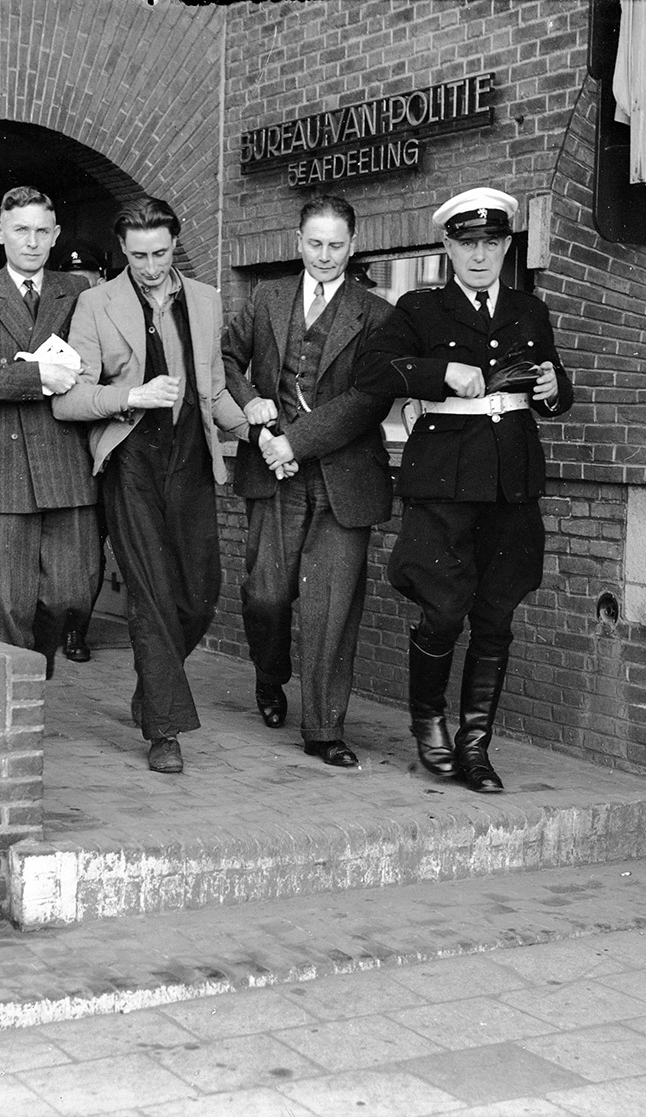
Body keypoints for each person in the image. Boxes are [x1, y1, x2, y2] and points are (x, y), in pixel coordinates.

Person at [354, 186, 573, 793]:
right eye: (466, 243)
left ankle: (476, 747)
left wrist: (556, 387)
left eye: (491, 243)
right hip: (445, 482)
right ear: (447, 246)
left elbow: (553, 396)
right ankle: (430, 727)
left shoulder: (530, 311)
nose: (479, 255)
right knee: (444, 611)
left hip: (511, 483)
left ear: (507, 246)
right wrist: (439, 373)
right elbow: (371, 372)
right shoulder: (421, 310)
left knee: (497, 616)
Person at [54, 196, 248, 774]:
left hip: (190, 455)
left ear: (175, 244)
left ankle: (151, 689)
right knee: (151, 590)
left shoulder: (207, 301)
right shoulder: (95, 303)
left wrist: (255, 429)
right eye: (138, 255)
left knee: (199, 591)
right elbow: (69, 400)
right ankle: (163, 728)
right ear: (122, 251)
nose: (150, 265)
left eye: (160, 253)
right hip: (131, 458)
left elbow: (212, 394)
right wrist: (131, 397)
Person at [222, 195, 394, 768]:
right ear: (297, 242)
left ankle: (323, 728)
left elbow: (367, 400)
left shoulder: (376, 315)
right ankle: (271, 675)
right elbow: (223, 359)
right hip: (271, 477)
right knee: (266, 594)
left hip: (343, 482)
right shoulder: (267, 298)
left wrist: (295, 442)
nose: (325, 255)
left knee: (330, 607)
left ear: (353, 245)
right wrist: (254, 410)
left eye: (336, 245)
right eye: (315, 244)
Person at [0, 186, 100, 678]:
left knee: (73, 590)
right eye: (20, 230)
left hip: (66, 458)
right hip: (1, 462)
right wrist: (36, 377)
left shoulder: (79, 293)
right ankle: (14, 704)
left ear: (54, 236)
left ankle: (36, 660)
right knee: (5, 605)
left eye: (40, 231)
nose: (30, 242)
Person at [51, 243, 109, 664]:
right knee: (71, 550)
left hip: (107, 448)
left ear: (101, 278)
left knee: (93, 550)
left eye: (85, 279)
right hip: (69, 450)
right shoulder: (55, 320)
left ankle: (77, 631)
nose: (78, 288)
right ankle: (65, 627)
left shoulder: (110, 317)